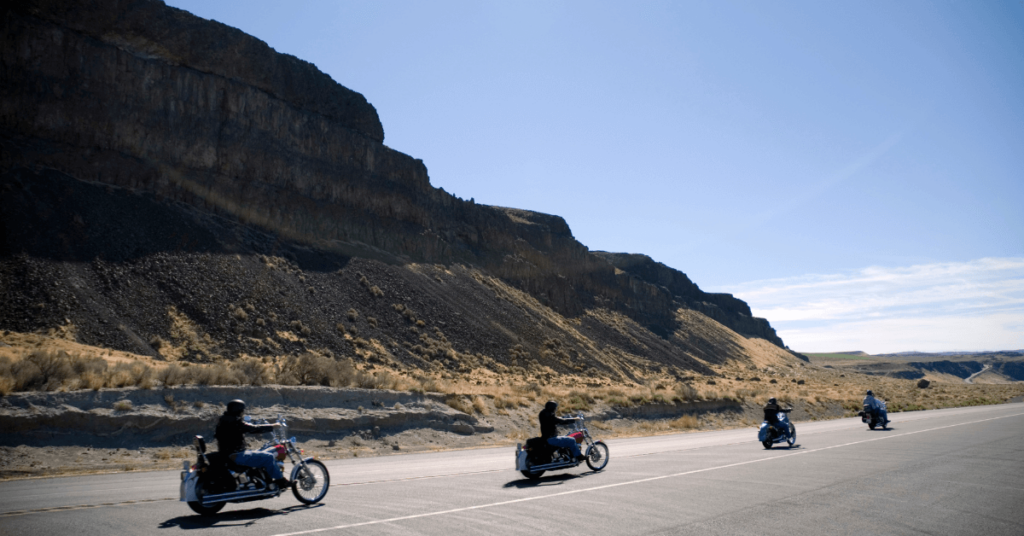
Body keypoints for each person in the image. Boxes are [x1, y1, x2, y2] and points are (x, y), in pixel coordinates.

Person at [214, 399, 290, 489]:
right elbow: (253, 429)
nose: (243, 412)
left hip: (228, 453)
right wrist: (272, 426)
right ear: (238, 410)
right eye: (242, 410)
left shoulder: (223, 421)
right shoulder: (235, 421)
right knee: (269, 457)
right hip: (237, 454)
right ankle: (281, 482)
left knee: (258, 454)